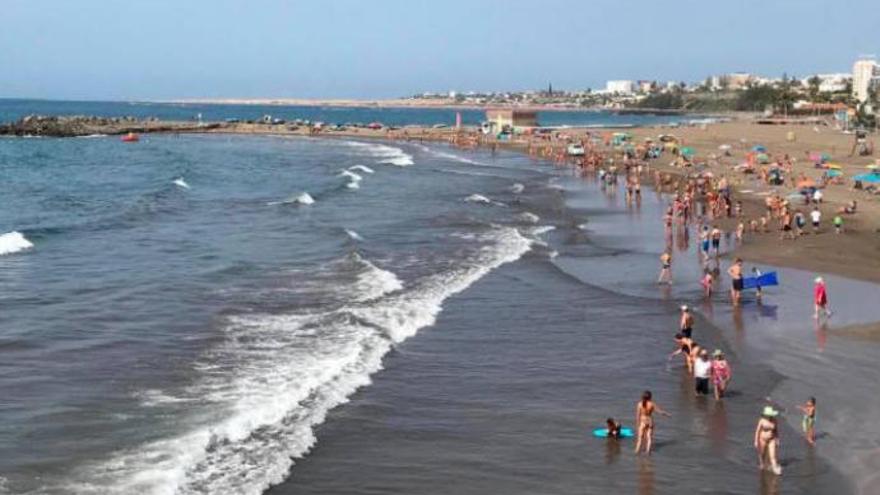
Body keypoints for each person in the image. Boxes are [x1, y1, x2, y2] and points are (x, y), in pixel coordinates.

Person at [634, 390, 671, 455]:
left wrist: (637, 425)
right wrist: (667, 414)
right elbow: (660, 412)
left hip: (643, 421)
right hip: (650, 421)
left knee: (640, 439)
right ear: (650, 397)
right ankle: (648, 452)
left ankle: (637, 452)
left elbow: (637, 416)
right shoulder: (652, 404)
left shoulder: (639, 404)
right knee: (649, 438)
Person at [754, 406, 783, 475]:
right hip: (762, 439)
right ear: (766, 415)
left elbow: (776, 430)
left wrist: (777, 439)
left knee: (773, 456)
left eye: (771, 415)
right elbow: (757, 431)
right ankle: (762, 464)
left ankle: (776, 469)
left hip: (772, 439)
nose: (770, 416)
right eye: (769, 415)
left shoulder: (775, 420)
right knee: (762, 453)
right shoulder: (762, 420)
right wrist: (756, 441)